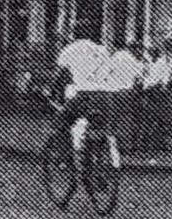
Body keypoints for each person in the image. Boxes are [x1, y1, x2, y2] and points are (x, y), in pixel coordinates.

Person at [46, 37, 120, 168]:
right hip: (106, 97)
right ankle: (106, 158)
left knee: (61, 121)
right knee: (103, 126)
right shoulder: (102, 50)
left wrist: (51, 92)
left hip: (84, 95)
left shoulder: (69, 50)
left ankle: (64, 156)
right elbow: (112, 72)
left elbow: (59, 76)